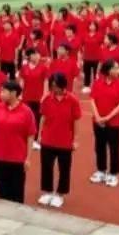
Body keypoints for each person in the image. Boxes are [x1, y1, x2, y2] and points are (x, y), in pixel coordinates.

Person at [0, 80, 37, 203]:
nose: (1, 94)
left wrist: (28, 158)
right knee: (1, 189)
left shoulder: (26, 112)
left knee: (16, 193)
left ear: (14, 93)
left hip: (16, 159)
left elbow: (30, 136)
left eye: (3, 91)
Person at [38, 72, 81, 208]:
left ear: (62, 86)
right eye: (51, 86)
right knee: (46, 166)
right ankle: (47, 191)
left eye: (55, 86)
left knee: (64, 169)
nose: (53, 89)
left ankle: (60, 194)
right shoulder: (47, 99)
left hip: (65, 140)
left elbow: (76, 121)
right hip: (48, 139)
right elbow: (43, 118)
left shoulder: (72, 100)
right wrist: (39, 135)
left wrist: (75, 139)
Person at [90, 60, 119, 187]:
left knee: (114, 148)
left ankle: (113, 173)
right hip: (98, 121)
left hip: (114, 123)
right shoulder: (97, 83)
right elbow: (92, 100)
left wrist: (107, 117)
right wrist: (98, 116)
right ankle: (101, 170)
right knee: (99, 146)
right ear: (108, 70)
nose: (118, 70)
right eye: (116, 68)